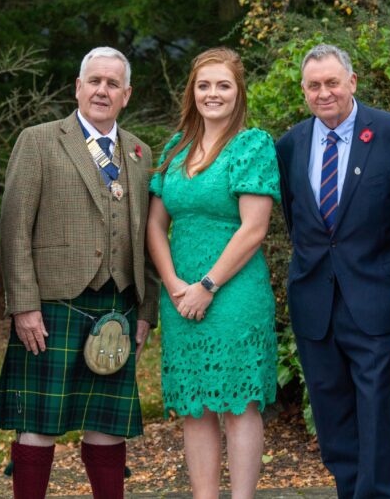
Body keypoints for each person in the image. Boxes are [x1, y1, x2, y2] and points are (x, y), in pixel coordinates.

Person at [0, 46, 159, 499]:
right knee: (38, 424)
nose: (102, 91)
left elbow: (149, 237)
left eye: (112, 84)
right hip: (53, 306)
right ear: (78, 87)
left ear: (126, 94)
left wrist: (146, 311)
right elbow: (15, 227)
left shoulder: (141, 152)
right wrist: (23, 305)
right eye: (94, 81)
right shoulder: (40, 140)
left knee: (108, 426)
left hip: (118, 307)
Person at [275, 44, 390, 498]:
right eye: (314, 86)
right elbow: (295, 218)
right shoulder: (290, 144)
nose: (324, 93)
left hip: (377, 304)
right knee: (333, 417)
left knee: (376, 415)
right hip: (315, 307)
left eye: (332, 83)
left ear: (352, 82)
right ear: (304, 91)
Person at [146, 47, 280, 498]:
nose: (212, 93)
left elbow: (254, 227)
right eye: (204, 85)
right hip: (180, 294)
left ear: (238, 92)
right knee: (196, 406)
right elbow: (155, 225)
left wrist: (207, 285)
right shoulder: (174, 147)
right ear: (192, 91)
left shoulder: (252, 145)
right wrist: (173, 284)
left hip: (233, 294)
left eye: (223, 85)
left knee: (238, 403)